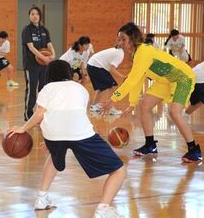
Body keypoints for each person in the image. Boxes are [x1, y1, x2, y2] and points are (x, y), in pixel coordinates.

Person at [9, 60, 126, 217]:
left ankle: (41, 198)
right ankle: (103, 209)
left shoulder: (46, 88)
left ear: (49, 75)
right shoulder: (80, 88)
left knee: (54, 156)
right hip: (80, 133)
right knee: (119, 170)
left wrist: (29, 130)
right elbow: (76, 114)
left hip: (53, 134)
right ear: (69, 74)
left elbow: (40, 114)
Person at [101, 22, 202, 163]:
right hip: (165, 81)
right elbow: (138, 79)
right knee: (144, 105)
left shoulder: (143, 52)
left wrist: (113, 99)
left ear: (133, 38)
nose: (120, 43)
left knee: (174, 111)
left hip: (182, 78)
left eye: (123, 39)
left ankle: (194, 150)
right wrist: (132, 103)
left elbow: (131, 80)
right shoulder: (136, 55)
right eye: (119, 39)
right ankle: (150, 145)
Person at [21, 6, 56, 121]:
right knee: (32, 89)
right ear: (29, 16)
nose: (35, 16)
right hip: (31, 65)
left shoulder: (44, 30)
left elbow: (49, 45)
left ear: (40, 16)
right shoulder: (27, 30)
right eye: (32, 14)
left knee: (43, 89)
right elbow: (31, 48)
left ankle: (40, 113)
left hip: (43, 65)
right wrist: (43, 58)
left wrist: (53, 55)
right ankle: (28, 115)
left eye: (37, 14)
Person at [87, 46, 125, 115]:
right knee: (113, 86)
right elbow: (112, 69)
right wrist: (124, 77)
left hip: (92, 65)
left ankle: (94, 106)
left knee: (102, 87)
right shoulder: (120, 54)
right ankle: (110, 108)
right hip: (96, 66)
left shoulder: (118, 51)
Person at [184, 58, 204, 130]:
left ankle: (184, 116)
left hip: (192, 78)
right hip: (198, 80)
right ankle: (183, 116)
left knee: (199, 101)